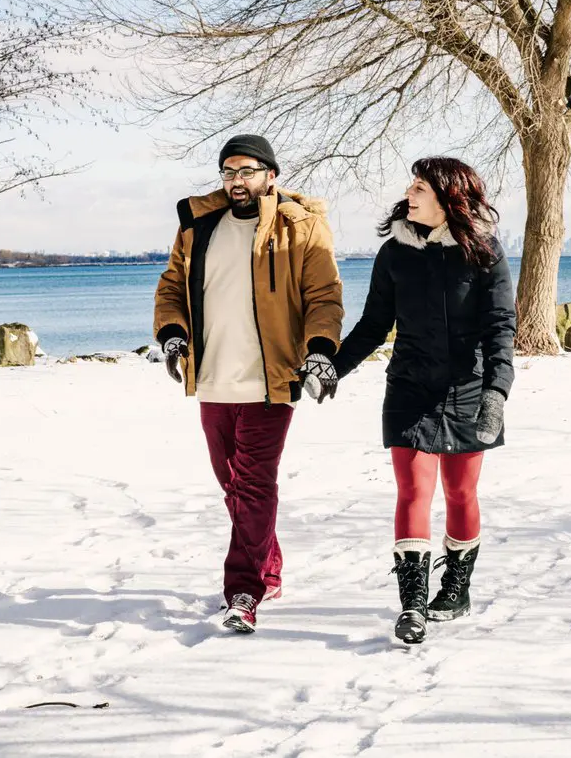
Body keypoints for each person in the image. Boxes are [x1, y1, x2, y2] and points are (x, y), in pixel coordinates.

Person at [153, 134, 343, 634]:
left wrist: (321, 351)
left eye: (247, 171)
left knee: (254, 485)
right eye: (229, 173)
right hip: (212, 377)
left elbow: (324, 295)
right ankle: (269, 564)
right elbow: (172, 287)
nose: (237, 182)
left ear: (271, 175)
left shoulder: (300, 226)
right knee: (233, 487)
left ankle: (244, 589)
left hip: (271, 381)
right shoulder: (199, 226)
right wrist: (173, 336)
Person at [326, 157, 516, 644]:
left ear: (447, 197)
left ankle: (456, 588)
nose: (410, 195)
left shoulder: (485, 253)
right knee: (413, 491)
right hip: (409, 387)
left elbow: (501, 330)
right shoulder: (395, 253)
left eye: (420, 187)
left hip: (468, 388)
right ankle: (411, 605)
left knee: (460, 492)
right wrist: (335, 368)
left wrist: (497, 392)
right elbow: (373, 325)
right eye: (410, 186)